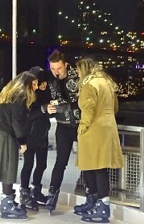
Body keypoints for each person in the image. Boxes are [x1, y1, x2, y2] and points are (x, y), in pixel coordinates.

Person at [74, 58, 124, 223]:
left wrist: (82, 126)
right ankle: (96, 202)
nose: (78, 74)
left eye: (78, 70)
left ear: (84, 70)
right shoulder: (107, 83)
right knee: (96, 167)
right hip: (108, 128)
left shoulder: (89, 84)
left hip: (94, 130)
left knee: (95, 168)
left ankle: (101, 206)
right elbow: (115, 107)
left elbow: (88, 109)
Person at [0, 71, 38, 220]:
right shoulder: (20, 95)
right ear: (27, 83)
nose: (35, 87)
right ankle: (6, 204)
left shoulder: (11, 91)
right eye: (34, 84)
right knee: (9, 167)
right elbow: (16, 120)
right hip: (5, 134)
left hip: (0, 132)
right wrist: (22, 141)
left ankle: (8, 200)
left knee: (7, 167)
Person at [44, 50, 81, 213]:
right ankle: (52, 194)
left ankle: (91, 195)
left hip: (81, 125)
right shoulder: (48, 79)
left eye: (58, 68)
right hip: (63, 125)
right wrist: (45, 107)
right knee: (61, 162)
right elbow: (41, 97)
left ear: (65, 65)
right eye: (53, 68)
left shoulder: (78, 77)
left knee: (87, 162)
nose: (56, 72)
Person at [19, 66, 51, 211]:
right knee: (28, 164)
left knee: (42, 164)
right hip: (29, 135)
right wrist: (44, 109)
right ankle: (24, 192)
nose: (43, 85)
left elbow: (45, 114)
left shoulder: (46, 93)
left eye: (45, 82)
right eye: (41, 82)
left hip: (42, 135)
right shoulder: (29, 95)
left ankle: (36, 191)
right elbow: (28, 116)